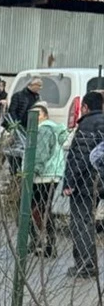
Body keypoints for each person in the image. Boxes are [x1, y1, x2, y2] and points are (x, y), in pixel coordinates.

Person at [62, 90, 103, 278]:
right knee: (87, 222)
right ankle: (88, 264)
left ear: (85, 107)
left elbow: (79, 157)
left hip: (85, 183)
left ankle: (85, 265)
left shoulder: (87, 125)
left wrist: (69, 182)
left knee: (81, 223)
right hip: (98, 181)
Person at [31, 102, 68, 259]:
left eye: (37, 114)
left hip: (43, 175)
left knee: (38, 209)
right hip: (51, 173)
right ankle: (44, 242)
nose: (34, 118)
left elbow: (41, 153)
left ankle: (46, 243)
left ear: (45, 116)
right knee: (42, 209)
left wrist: (33, 170)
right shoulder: (47, 129)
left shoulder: (44, 129)